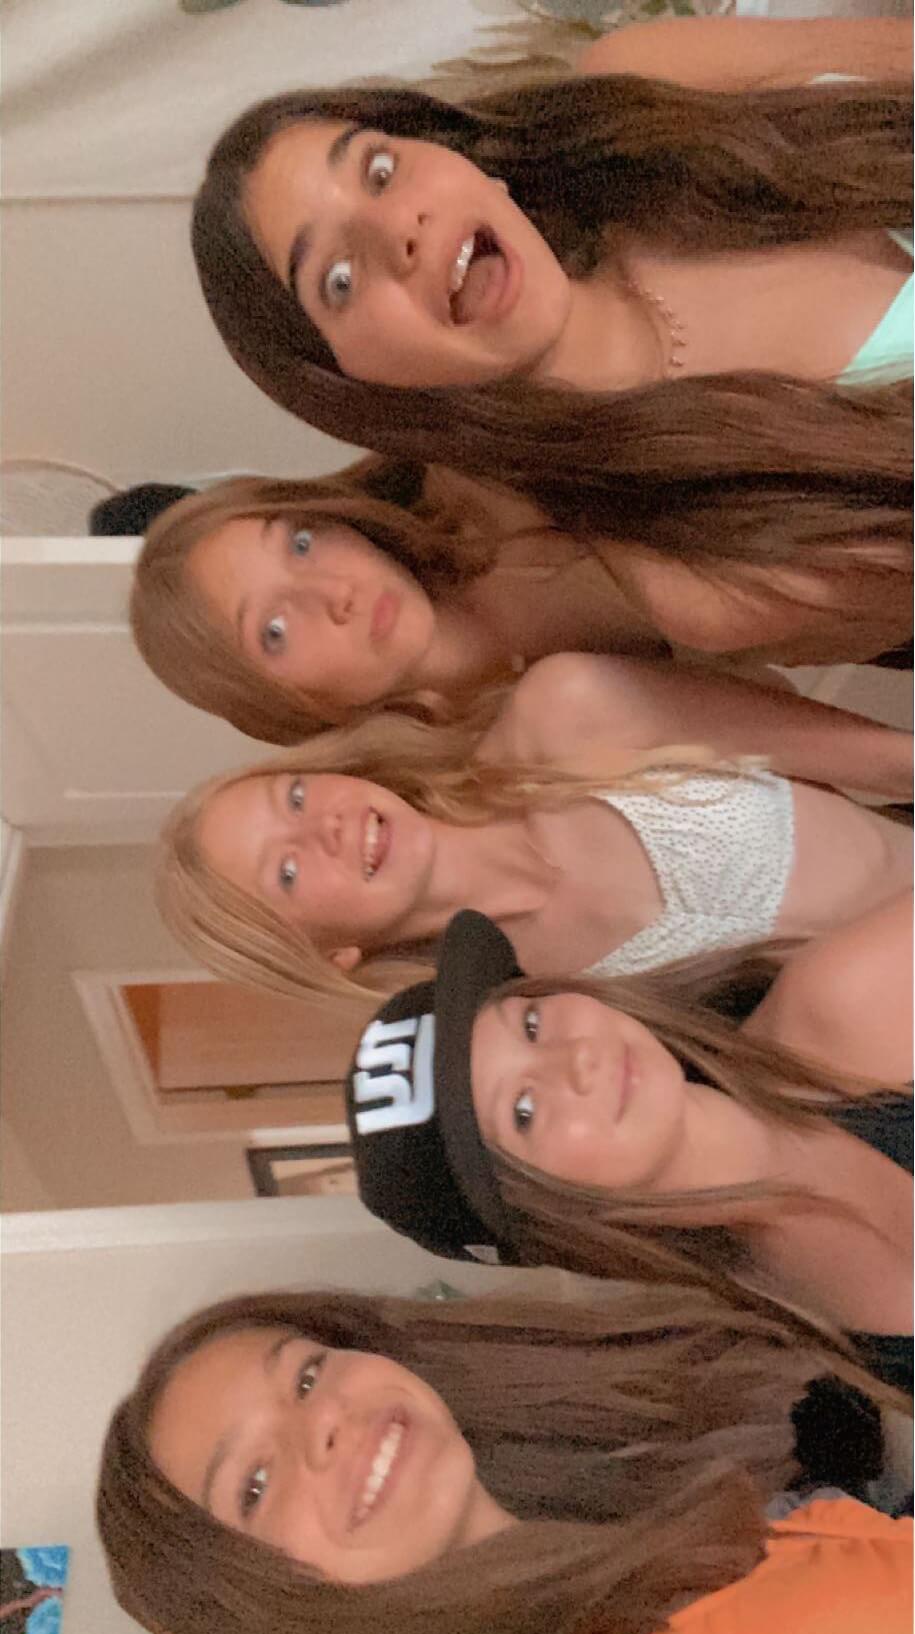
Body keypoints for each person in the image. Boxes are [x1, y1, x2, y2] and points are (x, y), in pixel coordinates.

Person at [189, 19, 912, 660]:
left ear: (456, 157)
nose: (397, 229)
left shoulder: (648, 90)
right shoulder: (697, 568)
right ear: (361, 384)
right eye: (339, 279)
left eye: (379, 170)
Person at [96, 1287, 910, 1634]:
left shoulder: (653, 1541)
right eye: (255, 1482)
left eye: (306, 1375)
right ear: (262, 1612)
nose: (325, 1423)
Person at [345, 896, 912, 1392]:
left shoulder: (846, 1000)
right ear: (546, 1213)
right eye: (524, 1111)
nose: (577, 1060)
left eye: (532, 1024)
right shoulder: (759, 1353)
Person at [155, 694, 911, 1007]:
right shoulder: (543, 1021)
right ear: (331, 955)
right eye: (287, 871)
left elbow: (887, 759)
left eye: (293, 796)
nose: (321, 826)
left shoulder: (563, 712)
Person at [130, 465, 915, 741]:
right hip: (874, 632)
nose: (331, 592)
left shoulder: (480, 479)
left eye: (301, 543)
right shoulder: (485, 776)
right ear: (280, 706)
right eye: (274, 628)